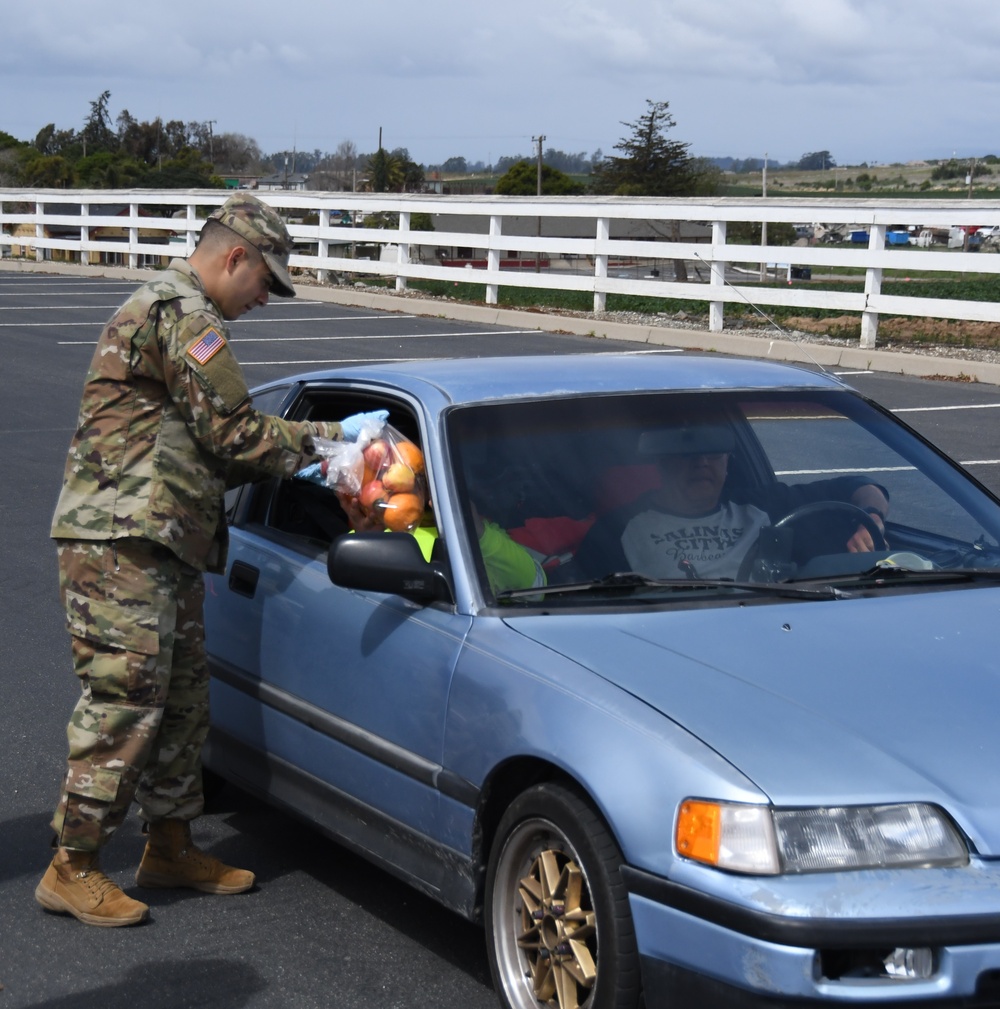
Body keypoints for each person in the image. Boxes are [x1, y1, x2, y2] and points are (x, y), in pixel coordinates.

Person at [37, 194, 384, 928]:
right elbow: (233, 434)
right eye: (264, 281)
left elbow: (202, 453)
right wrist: (331, 443)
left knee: (185, 700)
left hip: (161, 541)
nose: (264, 298)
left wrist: (308, 464)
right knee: (124, 701)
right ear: (235, 257)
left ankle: (169, 844)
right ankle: (71, 864)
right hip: (119, 544)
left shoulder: (183, 312)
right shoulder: (182, 313)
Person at [575, 418, 890, 581]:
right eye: (688, 454)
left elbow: (859, 485)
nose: (702, 463)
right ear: (662, 463)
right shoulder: (619, 530)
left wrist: (872, 518)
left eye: (713, 453)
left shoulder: (762, 505)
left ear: (727, 462)